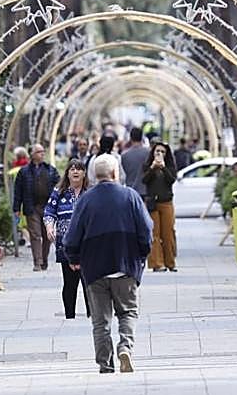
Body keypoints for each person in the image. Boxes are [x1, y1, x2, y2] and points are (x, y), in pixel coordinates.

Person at [64, 154, 153, 374]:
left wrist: (74, 259)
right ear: (115, 173)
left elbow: (72, 236)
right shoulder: (131, 197)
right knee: (128, 312)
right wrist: (141, 256)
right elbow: (146, 231)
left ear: (94, 175)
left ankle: (105, 363)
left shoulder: (86, 200)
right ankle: (125, 347)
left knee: (100, 320)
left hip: (95, 268)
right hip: (125, 265)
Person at [44, 159, 92, 318]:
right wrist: (49, 226)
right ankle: (69, 315)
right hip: (66, 245)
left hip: (87, 245)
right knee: (69, 283)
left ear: (84, 173)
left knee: (89, 283)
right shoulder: (59, 191)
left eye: (79, 169)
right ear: (67, 173)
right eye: (72, 169)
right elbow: (49, 212)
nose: (75, 172)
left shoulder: (90, 192)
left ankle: (92, 315)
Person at [13, 143, 59, 271]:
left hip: (48, 207)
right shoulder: (24, 172)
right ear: (32, 155)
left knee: (47, 235)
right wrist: (16, 208)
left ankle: (44, 260)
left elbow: (59, 186)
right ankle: (37, 262)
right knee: (35, 235)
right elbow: (18, 191)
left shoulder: (50, 170)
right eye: (39, 152)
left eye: (43, 151)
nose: (42, 154)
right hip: (31, 207)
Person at [142, 142, 178, 272]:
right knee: (154, 234)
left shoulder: (169, 166)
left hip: (166, 202)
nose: (160, 154)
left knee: (168, 233)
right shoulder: (148, 166)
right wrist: (152, 168)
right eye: (157, 151)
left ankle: (170, 262)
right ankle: (157, 263)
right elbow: (144, 180)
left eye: (163, 152)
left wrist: (163, 168)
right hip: (152, 203)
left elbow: (171, 180)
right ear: (153, 153)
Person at [120, 127, 147, 196]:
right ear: (141, 137)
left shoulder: (124, 155)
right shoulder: (149, 153)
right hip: (146, 191)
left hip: (130, 191)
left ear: (130, 138)